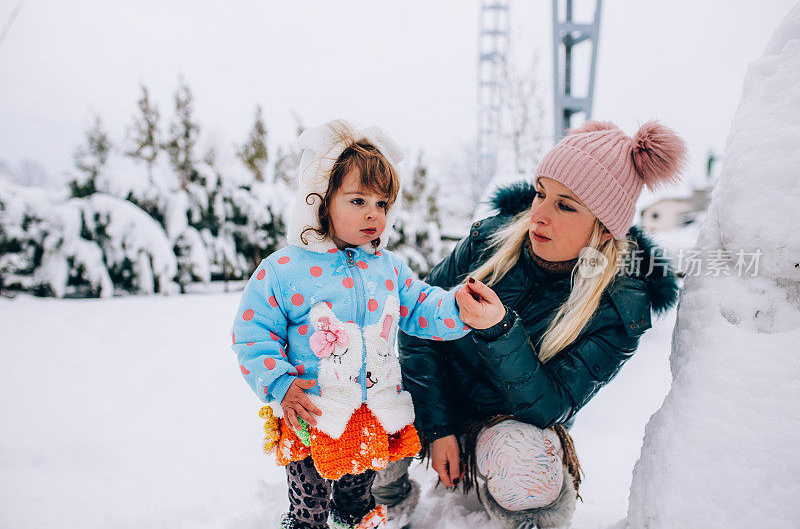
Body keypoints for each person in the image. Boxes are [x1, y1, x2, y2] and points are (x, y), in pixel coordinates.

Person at [372, 120, 685, 528]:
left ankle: (516, 511)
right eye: (541, 193)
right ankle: (381, 505)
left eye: (566, 205)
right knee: (366, 399)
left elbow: (552, 405)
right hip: (436, 406)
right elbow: (417, 325)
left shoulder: (620, 307)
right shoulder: (489, 240)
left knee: (522, 460)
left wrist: (499, 330)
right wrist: (438, 427)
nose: (539, 215)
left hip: (508, 429)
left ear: (605, 229)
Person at [230, 120, 471, 529]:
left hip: (367, 414)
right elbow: (253, 334)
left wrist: (460, 308)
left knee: (357, 500)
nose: (373, 214)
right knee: (311, 507)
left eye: (381, 204)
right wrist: (279, 383)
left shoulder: (389, 268)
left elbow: (422, 307)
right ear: (322, 200)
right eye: (358, 201)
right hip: (311, 413)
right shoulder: (285, 269)